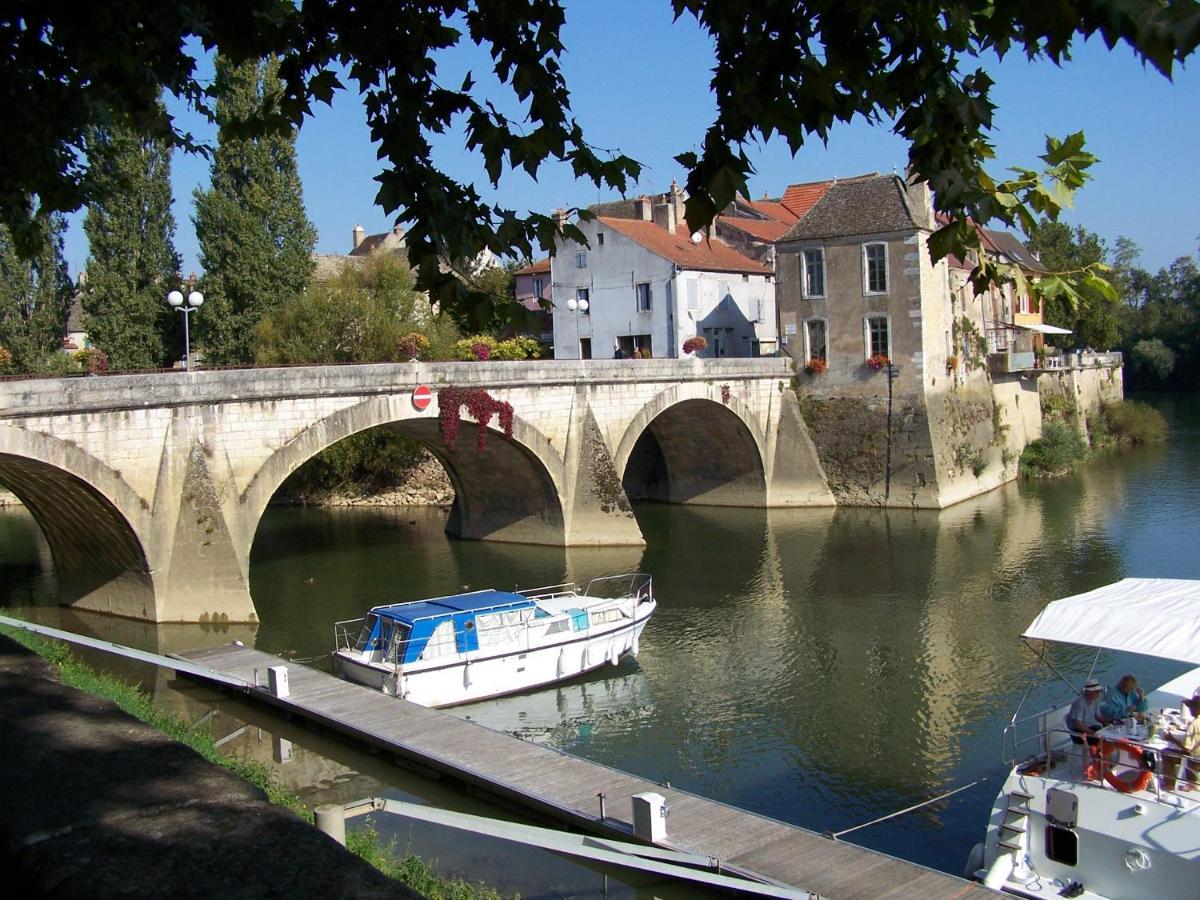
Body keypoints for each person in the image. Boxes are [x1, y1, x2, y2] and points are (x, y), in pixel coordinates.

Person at [1163, 689, 1200, 792]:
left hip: (1196, 762)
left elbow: (1187, 748)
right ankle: (1192, 781)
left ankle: (1170, 784)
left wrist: (1171, 739)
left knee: (1165, 753)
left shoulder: (1194, 724)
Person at [1065, 679, 1107, 746]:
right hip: (1078, 733)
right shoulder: (1079, 703)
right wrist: (1093, 733)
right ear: (1088, 692)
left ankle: (1102, 753)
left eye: (1099, 691)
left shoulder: (1095, 701)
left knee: (1107, 735)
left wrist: (1112, 721)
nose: (1098, 693)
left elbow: (1099, 717)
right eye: (1096, 691)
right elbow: (1077, 724)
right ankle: (1097, 754)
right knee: (1103, 738)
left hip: (1091, 727)